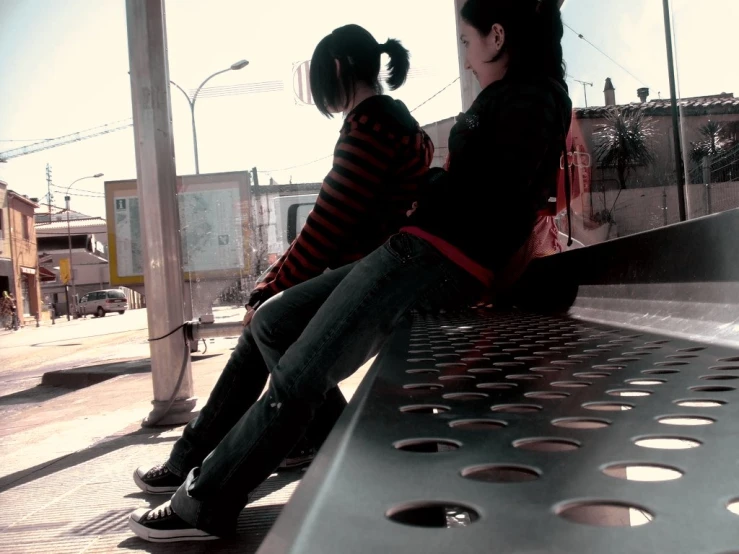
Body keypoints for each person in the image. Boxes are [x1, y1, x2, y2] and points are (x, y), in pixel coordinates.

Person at [129, 0, 573, 542]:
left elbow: (471, 201)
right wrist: (429, 192)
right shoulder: (487, 104)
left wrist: (428, 200)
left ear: (497, 36)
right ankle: (314, 449)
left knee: (298, 375)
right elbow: (478, 187)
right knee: (273, 326)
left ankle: (206, 500)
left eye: (466, 41)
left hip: (429, 259)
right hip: (411, 251)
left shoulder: (517, 102)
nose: (466, 57)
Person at [131, 24, 433, 496]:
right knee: (265, 334)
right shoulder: (404, 126)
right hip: (379, 276)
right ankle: (197, 455)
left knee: (268, 326)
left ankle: (222, 456)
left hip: (365, 281)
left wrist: (269, 288)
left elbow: (327, 227)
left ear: (336, 68)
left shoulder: (369, 128)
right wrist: (273, 282)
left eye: (318, 81)